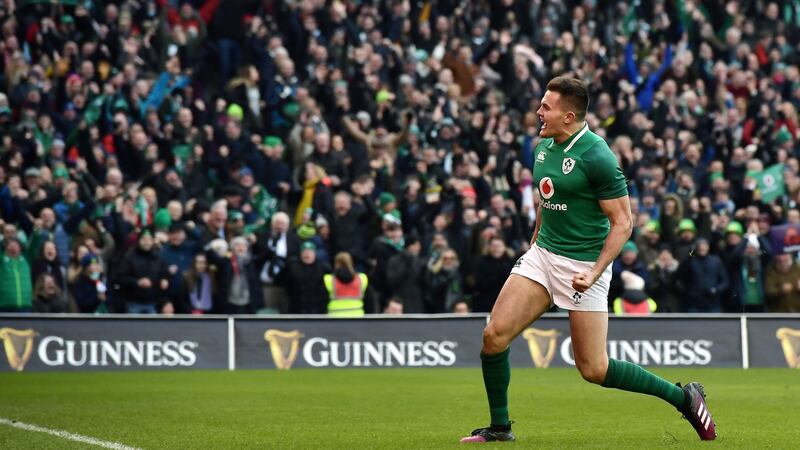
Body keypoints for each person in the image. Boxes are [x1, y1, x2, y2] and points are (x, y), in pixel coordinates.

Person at [461, 78, 715, 443]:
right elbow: (547, 199)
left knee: (594, 369)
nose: (538, 112)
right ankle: (500, 428)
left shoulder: (597, 156)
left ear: (568, 116)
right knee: (494, 337)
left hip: (584, 266)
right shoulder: (544, 146)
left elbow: (623, 222)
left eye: (545, 107)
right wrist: (534, 243)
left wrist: (595, 271)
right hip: (543, 256)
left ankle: (683, 397)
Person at [324, 252, 369, 317]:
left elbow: (322, 300)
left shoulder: (328, 279)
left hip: (334, 317)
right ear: (350, 262)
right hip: (357, 316)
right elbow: (369, 301)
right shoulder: (362, 279)